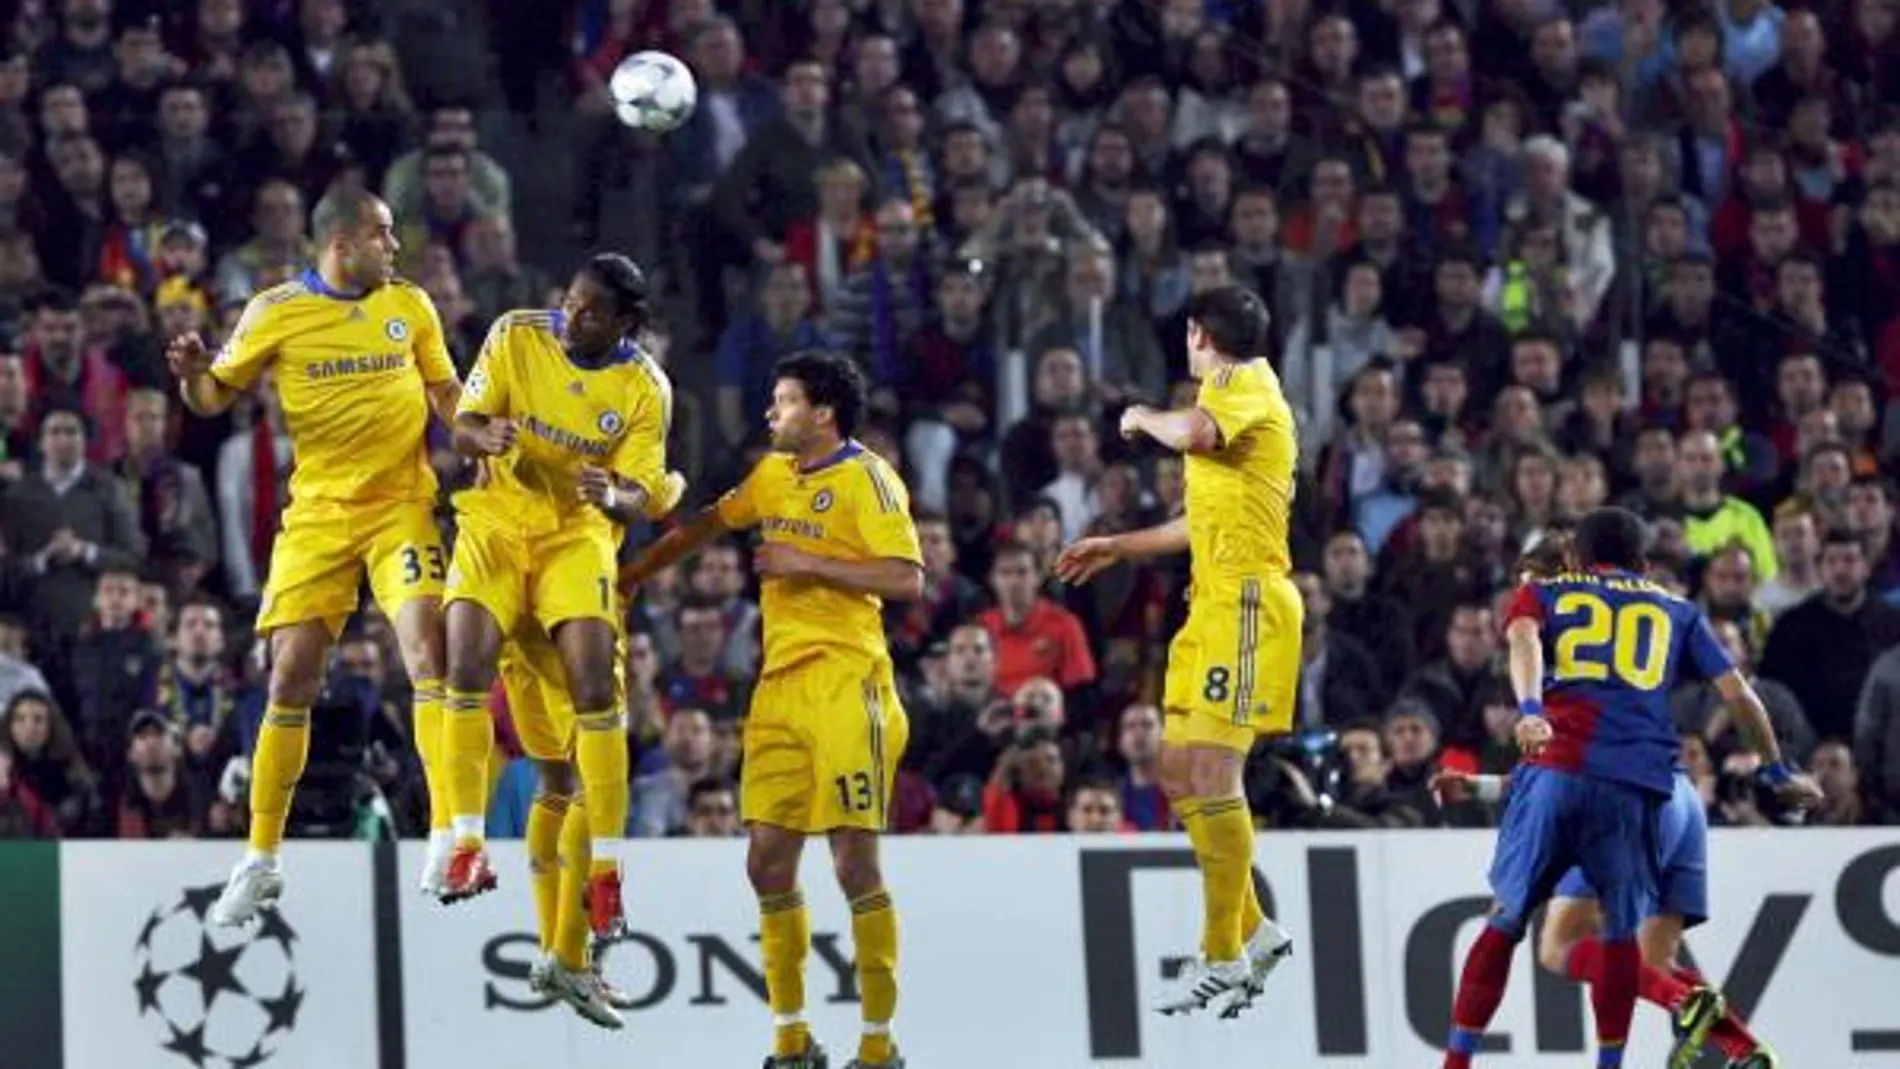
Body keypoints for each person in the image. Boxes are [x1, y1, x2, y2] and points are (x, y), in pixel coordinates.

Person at [619, 350, 924, 1069]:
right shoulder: (772, 475)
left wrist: (810, 565)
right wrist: (632, 576)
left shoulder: (869, 477)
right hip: (779, 690)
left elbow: (907, 577)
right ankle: (792, 1039)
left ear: (821, 413)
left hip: (851, 684)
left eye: (782, 401)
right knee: (766, 864)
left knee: (854, 864)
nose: (769, 412)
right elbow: (707, 524)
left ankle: (878, 1047)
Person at [169, 190, 463, 926]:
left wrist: (477, 431)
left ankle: (451, 836)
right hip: (320, 519)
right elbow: (210, 398)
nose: (395, 248)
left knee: (428, 653)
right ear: (342, 239)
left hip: (401, 509)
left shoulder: (412, 307)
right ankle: (260, 857)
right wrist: (190, 372)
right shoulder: (274, 311)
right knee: (290, 678)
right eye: (384, 234)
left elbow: (446, 391)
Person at [1438, 506, 1821, 1069]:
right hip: (1664, 793)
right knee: (1645, 951)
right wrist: (1776, 770)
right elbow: (1738, 694)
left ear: (1572, 563)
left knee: (1541, 937)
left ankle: (1457, 1063)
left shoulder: (1548, 603)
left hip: (1581, 776)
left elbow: (1530, 664)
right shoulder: (1677, 611)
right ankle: (1735, 1047)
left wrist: (1527, 709)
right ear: (1641, 563)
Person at [1055, 284, 1301, 1018]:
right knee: (1175, 769)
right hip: (1212, 601)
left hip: (1251, 600)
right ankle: (1258, 931)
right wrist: (1119, 546)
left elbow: (1192, 434)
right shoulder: (1228, 402)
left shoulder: (1246, 384)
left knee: (1216, 768)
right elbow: (1198, 520)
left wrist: (1138, 416)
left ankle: (1221, 949)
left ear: (1198, 334)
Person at [438, 256, 684, 951]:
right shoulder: (517, 334)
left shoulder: (644, 387)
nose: (571, 317)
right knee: (465, 661)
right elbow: (464, 422)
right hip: (494, 525)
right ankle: (464, 844)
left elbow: (640, 490)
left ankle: (604, 869)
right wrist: (480, 435)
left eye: (590, 311)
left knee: (590, 682)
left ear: (626, 323)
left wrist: (616, 496)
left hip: (575, 540)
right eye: (569, 301)